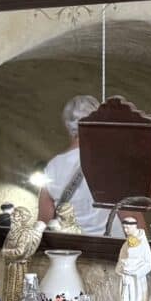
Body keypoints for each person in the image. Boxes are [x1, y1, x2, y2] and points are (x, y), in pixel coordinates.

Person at [37, 94, 102, 229]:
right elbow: (131, 217)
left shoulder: (52, 167)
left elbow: (43, 224)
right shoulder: (111, 162)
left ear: (67, 125)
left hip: (70, 242)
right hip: (111, 242)